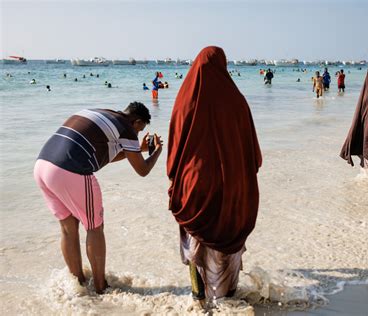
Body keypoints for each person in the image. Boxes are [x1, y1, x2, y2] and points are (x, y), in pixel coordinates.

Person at [34, 102, 163, 294]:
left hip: (42, 166)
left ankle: (79, 285)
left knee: (68, 229)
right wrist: (157, 151)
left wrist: (138, 150)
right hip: (70, 170)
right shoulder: (127, 129)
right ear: (136, 122)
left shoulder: (99, 113)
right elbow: (142, 170)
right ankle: (101, 288)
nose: (137, 134)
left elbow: (103, 156)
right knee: (95, 227)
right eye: (140, 129)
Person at [167, 46, 262, 305]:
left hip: (195, 182)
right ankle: (228, 296)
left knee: (196, 241)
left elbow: (176, 143)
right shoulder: (237, 100)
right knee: (227, 234)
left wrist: (176, 176)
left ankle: (199, 298)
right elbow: (252, 152)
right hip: (231, 183)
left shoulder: (185, 98)